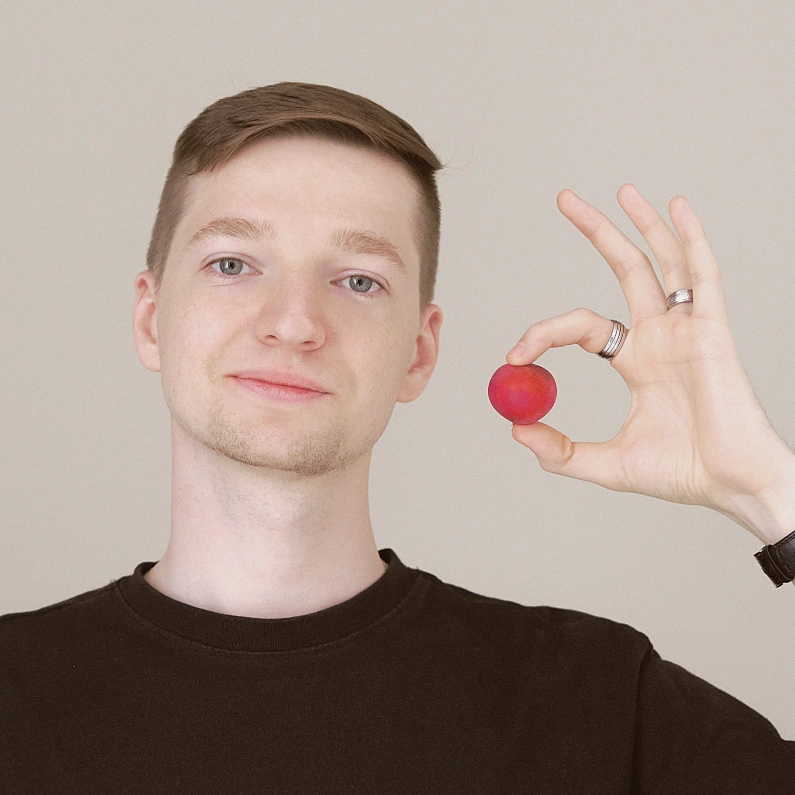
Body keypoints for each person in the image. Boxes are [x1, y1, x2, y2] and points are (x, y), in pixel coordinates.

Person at [2, 81, 793, 793]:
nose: (293, 323)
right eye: (233, 263)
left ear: (418, 351)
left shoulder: (598, 701)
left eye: (357, 280)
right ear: (150, 318)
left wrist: (768, 492)